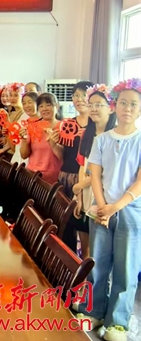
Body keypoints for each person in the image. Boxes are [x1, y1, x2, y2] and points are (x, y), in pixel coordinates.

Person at [76, 78, 141, 341]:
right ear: (115, 105)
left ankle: (118, 322)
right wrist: (103, 206)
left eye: (133, 104)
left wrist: (116, 206)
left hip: (130, 211)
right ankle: (93, 311)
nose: (128, 108)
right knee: (98, 262)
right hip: (100, 209)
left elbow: (139, 181)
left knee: (126, 268)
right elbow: (95, 174)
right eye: (123, 103)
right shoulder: (102, 139)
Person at [72, 85, 116, 260]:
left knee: (100, 250)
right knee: (85, 247)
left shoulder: (114, 136)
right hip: (85, 193)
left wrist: (79, 186)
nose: (93, 109)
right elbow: (82, 165)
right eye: (91, 105)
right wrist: (79, 196)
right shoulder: (86, 134)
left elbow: (105, 171)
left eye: (99, 105)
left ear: (111, 108)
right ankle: (85, 277)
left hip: (103, 195)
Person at [55, 81, 92, 253]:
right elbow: (63, 156)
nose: (79, 99)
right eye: (76, 95)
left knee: (84, 226)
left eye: (84, 95)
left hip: (85, 179)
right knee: (66, 222)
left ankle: (85, 261)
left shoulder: (96, 125)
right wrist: (52, 144)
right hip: (65, 175)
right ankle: (69, 258)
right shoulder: (67, 124)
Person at [19, 92, 63, 183]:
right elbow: (24, 155)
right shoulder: (32, 127)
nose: (45, 109)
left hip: (55, 178)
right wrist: (24, 140)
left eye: (48, 105)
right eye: (41, 106)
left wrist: (54, 144)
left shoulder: (64, 127)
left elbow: (65, 157)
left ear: (57, 106)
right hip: (33, 175)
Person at [0, 91, 39, 164]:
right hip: (17, 159)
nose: (26, 106)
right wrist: (8, 134)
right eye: (24, 103)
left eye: (30, 102)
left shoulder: (41, 122)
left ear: (38, 103)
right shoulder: (23, 117)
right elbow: (15, 147)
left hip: (31, 162)